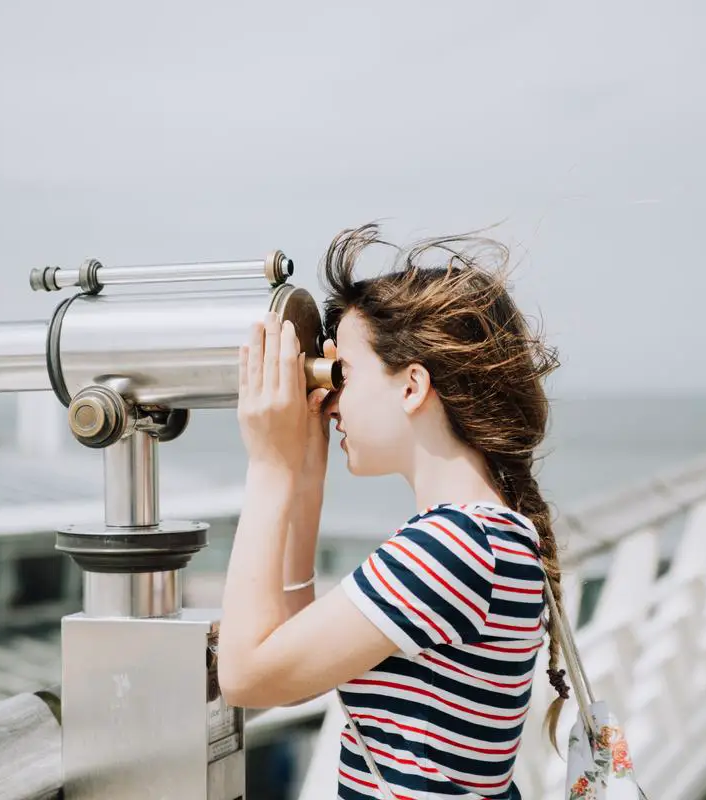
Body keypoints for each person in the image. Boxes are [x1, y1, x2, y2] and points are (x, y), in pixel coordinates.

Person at [218, 223, 567, 799]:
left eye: (344, 375)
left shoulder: (453, 547)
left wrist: (268, 465)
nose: (331, 400)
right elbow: (292, 675)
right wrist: (306, 477)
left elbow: (245, 677)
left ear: (411, 387)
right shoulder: (489, 534)